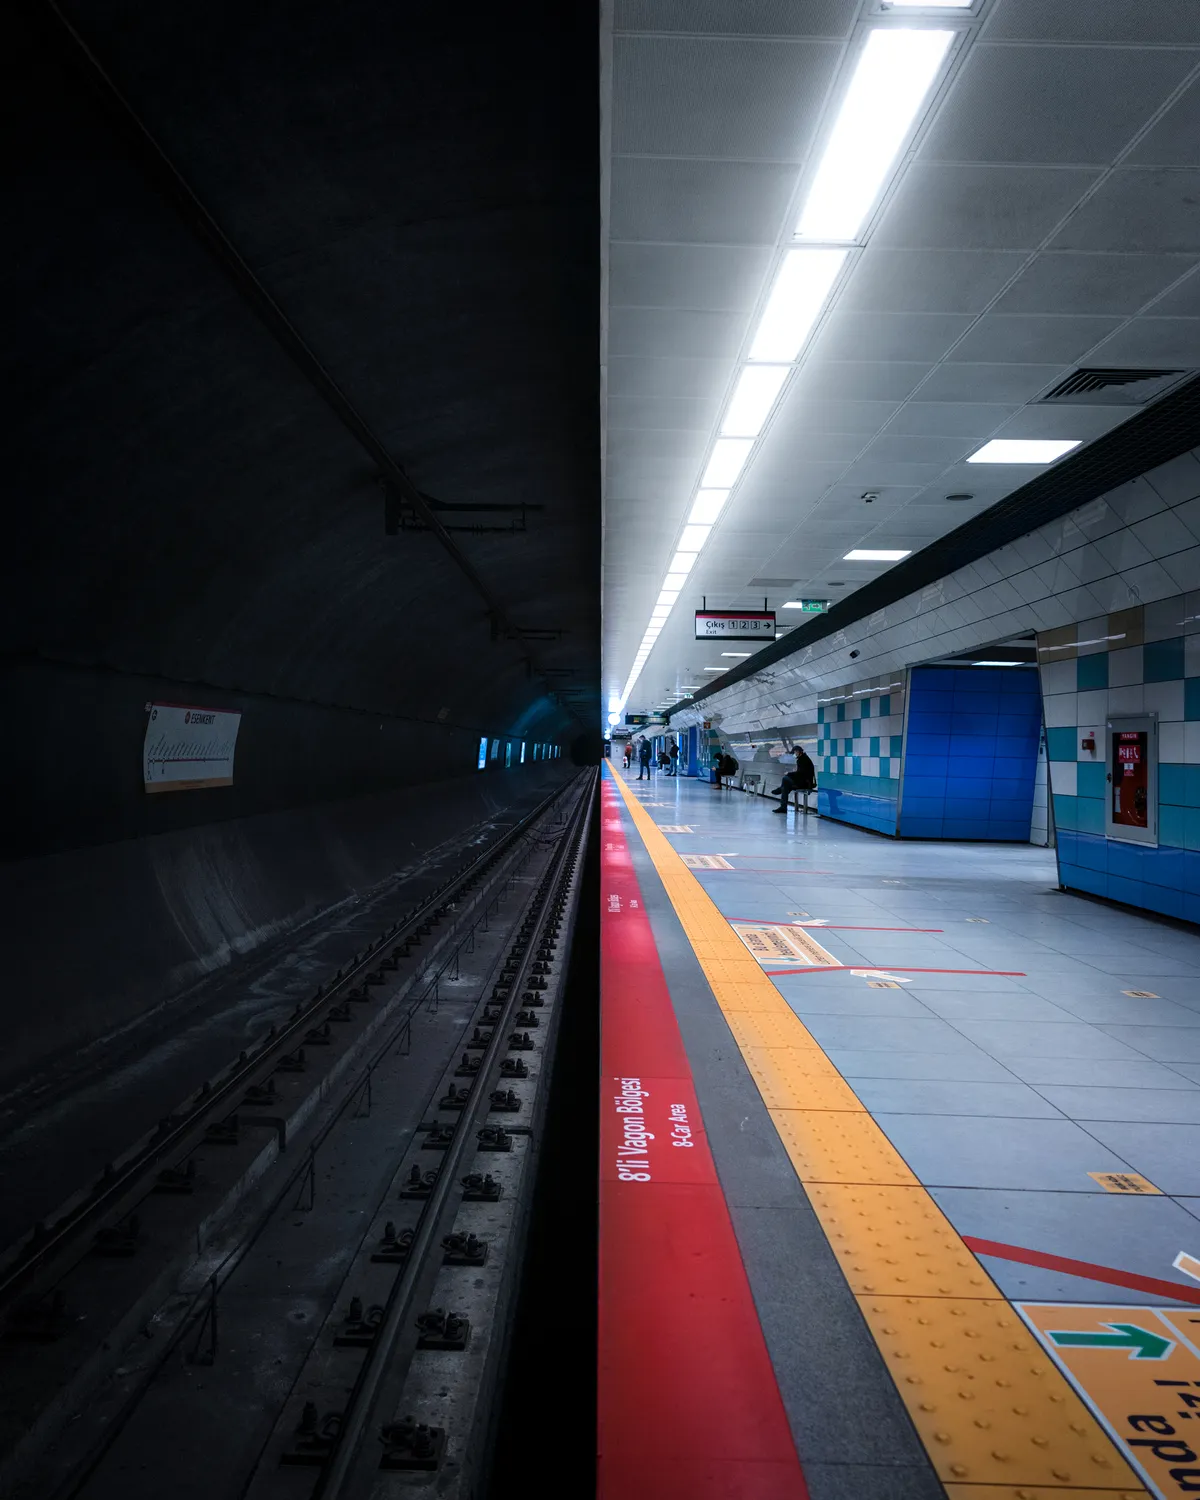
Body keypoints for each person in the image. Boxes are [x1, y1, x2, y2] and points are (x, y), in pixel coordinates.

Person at [773, 740, 817, 814]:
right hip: (803, 781)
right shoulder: (803, 758)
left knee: (785, 779)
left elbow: (801, 774)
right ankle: (783, 805)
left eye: (795, 752)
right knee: (785, 786)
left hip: (805, 783)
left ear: (799, 752)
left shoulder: (803, 760)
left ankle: (782, 804)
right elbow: (800, 774)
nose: (794, 754)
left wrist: (789, 774)